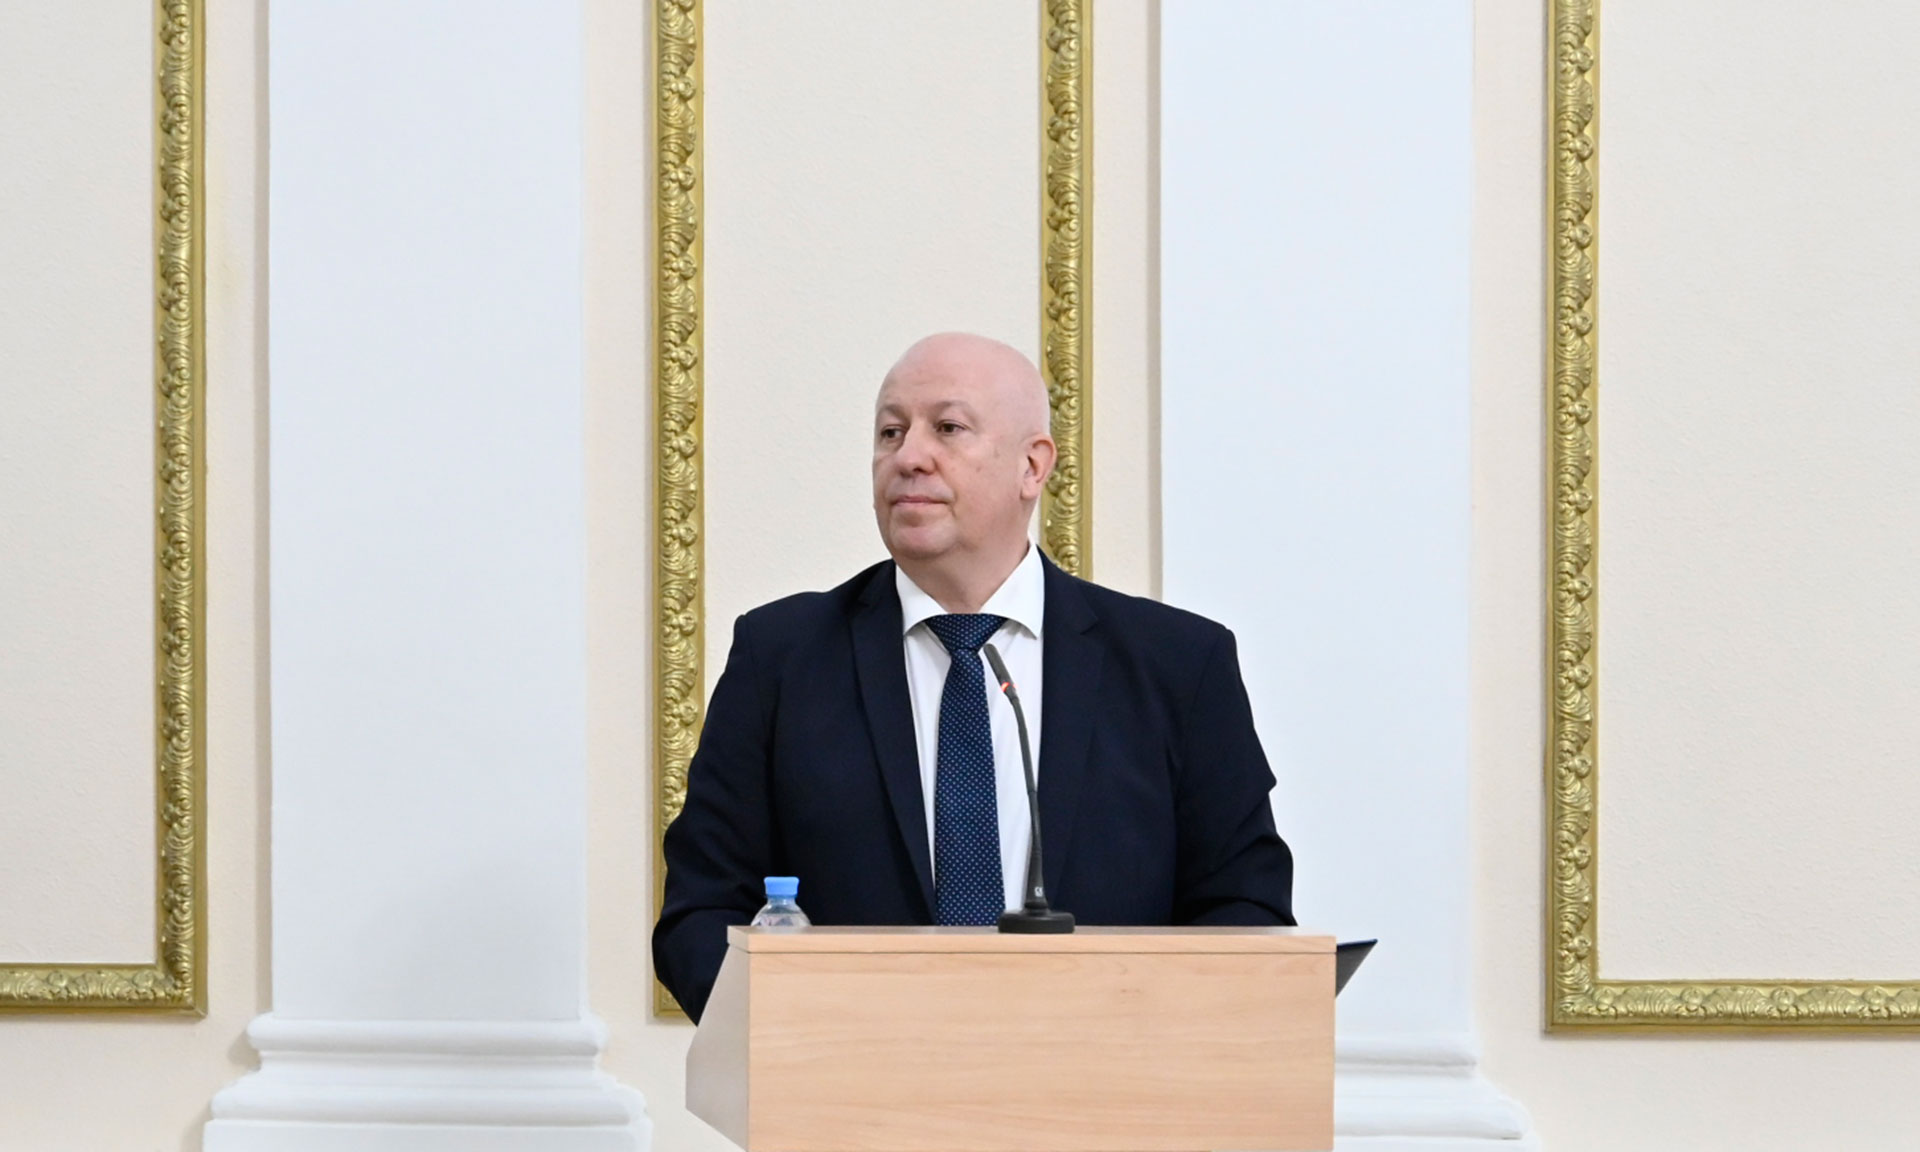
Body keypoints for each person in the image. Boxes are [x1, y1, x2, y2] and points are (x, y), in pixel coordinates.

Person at [653, 332, 1295, 1021]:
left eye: (948, 428)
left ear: (1032, 466)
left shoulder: (1178, 664)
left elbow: (1244, 910)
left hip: (1104, 1073)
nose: (908, 457)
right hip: (852, 1073)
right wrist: (802, 1035)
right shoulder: (781, 658)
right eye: (890, 432)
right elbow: (701, 914)